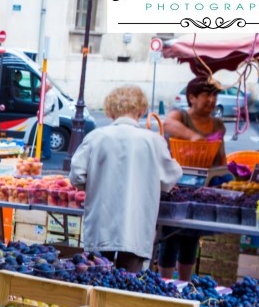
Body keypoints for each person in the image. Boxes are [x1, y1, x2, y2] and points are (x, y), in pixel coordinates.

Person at [70, 86, 182, 273]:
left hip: (100, 223)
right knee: (129, 282)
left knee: (96, 277)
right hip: (136, 226)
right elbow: (171, 177)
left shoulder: (96, 137)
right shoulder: (153, 141)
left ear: (110, 111)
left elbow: (77, 176)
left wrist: (95, 183)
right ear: (141, 110)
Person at [160, 76, 228, 281]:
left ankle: (185, 284)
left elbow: (220, 158)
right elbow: (168, 123)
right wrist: (193, 136)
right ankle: (164, 285)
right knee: (170, 237)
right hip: (176, 189)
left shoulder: (217, 125)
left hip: (201, 191)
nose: (212, 101)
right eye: (207, 95)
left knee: (191, 237)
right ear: (192, 97)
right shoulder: (180, 116)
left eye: (214, 96)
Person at [39, 81, 62, 161]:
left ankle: (46, 154)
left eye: (43, 85)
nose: (41, 87)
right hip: (49, 119)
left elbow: (47, 107)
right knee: (46, 137)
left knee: (45, 137)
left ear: (47, 86)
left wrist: (40, 113)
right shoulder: (52, 93)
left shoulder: (49, 94)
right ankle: (46, 153)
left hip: (47, 119)